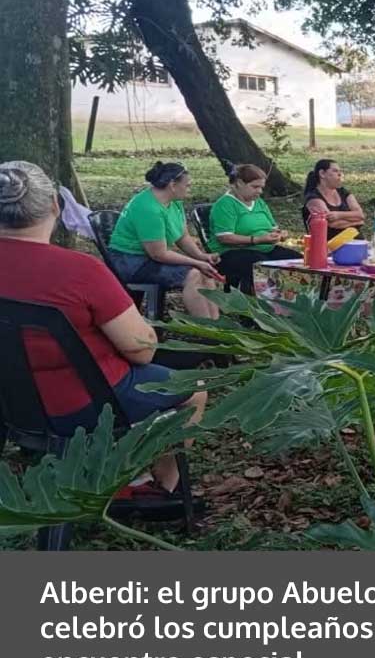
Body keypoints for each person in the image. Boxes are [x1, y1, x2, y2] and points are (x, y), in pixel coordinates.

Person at [0, 161, 207, 498]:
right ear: (55, 205)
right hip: (81, 405)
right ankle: (161, 484)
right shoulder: (80, 271)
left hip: (8, 404)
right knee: (195, 388)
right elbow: (142, 348)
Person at [109, 161, 221, 320]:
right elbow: (158, 254)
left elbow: (182, 237)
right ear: (172, 185)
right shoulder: (148, 208)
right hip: (130, 261)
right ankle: (206, 328)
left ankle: (216, 325)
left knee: (205, 271)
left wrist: (201, 257)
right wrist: (195, 263)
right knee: (194, 274)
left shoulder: (175, 202)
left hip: (149, 258)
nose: (189, 189)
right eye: (187, 185)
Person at [208, 164, 301, 293]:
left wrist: (279, 234)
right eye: (255, 187)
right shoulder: (225, 205)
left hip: (265, 248)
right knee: (264, 267)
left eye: (261, 187)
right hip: (232, 252)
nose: (259, 191)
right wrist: (257, 240)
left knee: (297, 261)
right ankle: (262, 306)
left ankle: (294, 302)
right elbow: (225, 237)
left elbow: (272, 228)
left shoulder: (259, 203)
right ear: (239, 183)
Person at [302, 159, 365, 240]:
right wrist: (357, 222)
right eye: (335, 171)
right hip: (330, 246)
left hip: (357, 242)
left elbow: (360, 215)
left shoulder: (343, 192)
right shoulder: (313, 198)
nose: (340, 174)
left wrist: (338, 215)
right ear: (322, 174)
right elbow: (331, 223)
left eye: (340, 171)